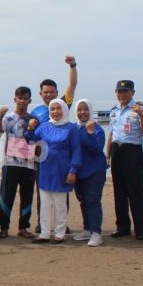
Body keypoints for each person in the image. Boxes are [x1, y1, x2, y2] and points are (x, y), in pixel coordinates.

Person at [32, 56, 78, 234]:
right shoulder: (35, 111)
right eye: (45, 92)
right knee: (42, 192)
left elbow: (72, 85)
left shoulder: (61, 105)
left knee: (62, 194)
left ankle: (62, 225)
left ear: (57, 92)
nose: (49, 95)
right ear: (40, 93)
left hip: (61, 159)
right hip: (42, 159)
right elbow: (30, 134)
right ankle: (40, 223)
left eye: (52, 92)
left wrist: (73, 66)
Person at [25, 99, 81, 244]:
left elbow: (76, 151)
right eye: (52, 109)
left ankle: (59, 233)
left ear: (64, 110)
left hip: (62, 171)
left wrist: (73, 170)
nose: (55, 112)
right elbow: (31, 139)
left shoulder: (71, 128)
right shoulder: (44, 126)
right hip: (45, 169)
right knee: (44, 203)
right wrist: (30, 129)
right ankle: (44, 233)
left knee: (60, 204)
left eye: (58, 109)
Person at [106, 80, 143, 240]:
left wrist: (139, 114)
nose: (122, 94)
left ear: (132, 92)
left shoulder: (141, 107)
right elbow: (111, 134)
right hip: (117, 152)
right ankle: (123, 227)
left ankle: (140, 229)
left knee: (135, 191)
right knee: (119, 191)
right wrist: (108, 155)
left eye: (125, 91)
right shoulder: (113, 111)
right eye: (119, 91)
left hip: (133, 151)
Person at [0, 87, 36, 238]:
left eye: (25, 98)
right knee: (7, 195)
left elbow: (37, 138)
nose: (22, 101)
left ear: (29, 100)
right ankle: (4, 227)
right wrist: (0, 117)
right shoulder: (8, 118)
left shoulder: (34, 119)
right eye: (20, 98)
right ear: (15, 99)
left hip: (29, 164)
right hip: (10, 163)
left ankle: (23, 227)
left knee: (27, 196)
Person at [72, 99, 106, 247]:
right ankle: (87, 229)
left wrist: (91, 133)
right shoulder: (74, 128)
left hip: (94, 171)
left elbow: (97, 149)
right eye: (79, 109)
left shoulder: (97, 128)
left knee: (93, 201)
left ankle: (96, 233)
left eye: (85, 109)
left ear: (90, 111)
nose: (82, 112)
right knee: (83, 201)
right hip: (79, 172)